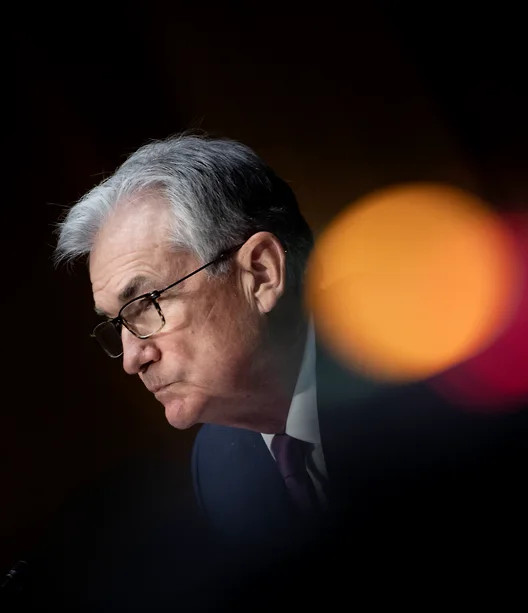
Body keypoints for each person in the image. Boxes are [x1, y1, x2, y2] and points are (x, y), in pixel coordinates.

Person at [54, 133, 333, 552]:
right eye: (118, 323)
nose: (132, 359)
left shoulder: (414, 379)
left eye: (147, 304)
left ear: (260, 275)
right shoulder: (218, 464)